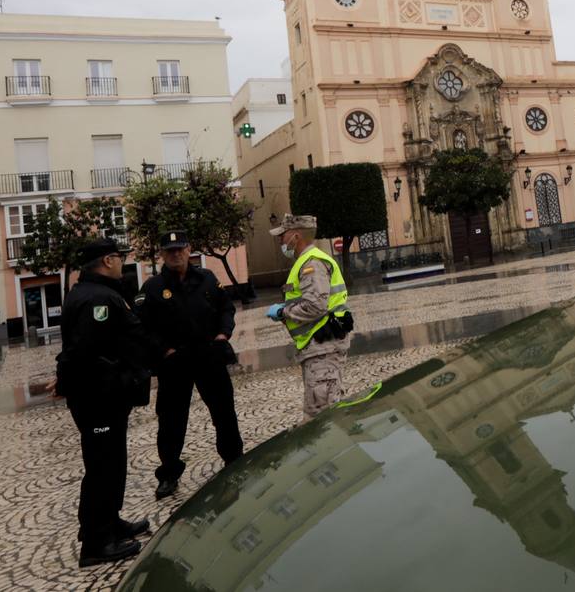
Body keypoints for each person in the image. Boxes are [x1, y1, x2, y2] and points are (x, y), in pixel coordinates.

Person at [53, 237, 153, 568]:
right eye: (119, 257)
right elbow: (87, 354)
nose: (122, 262)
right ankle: (95, 543)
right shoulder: (96, 298)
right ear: (107, 260)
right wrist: (121, 380)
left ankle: (110, 522)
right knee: (101, 468)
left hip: (107, 398)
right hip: (99, 400)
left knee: (112, 462)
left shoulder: (95, 292)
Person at [138, 230, 244, 500]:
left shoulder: (207, 279)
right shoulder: (151, 288)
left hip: (209, 356)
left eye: (180, 249)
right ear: (162, 254)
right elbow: (142, 328)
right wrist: (165, 350)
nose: (176, 254)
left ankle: (235, 459)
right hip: (175, 364)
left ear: (189, 250)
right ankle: (169, 473)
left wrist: (223, 334)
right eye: (170, 250)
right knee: (172, 421)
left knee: (224, 412)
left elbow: (226, 309)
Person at [265, 215, 353, 417]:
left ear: (296, 237)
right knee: (324, 409)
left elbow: (315, 306)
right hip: (318, 347)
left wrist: (282, 312)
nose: (280, 241)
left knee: (323, 416)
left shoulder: (311, 264)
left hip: (323, 347)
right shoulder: (307, 261)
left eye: (283, 236)